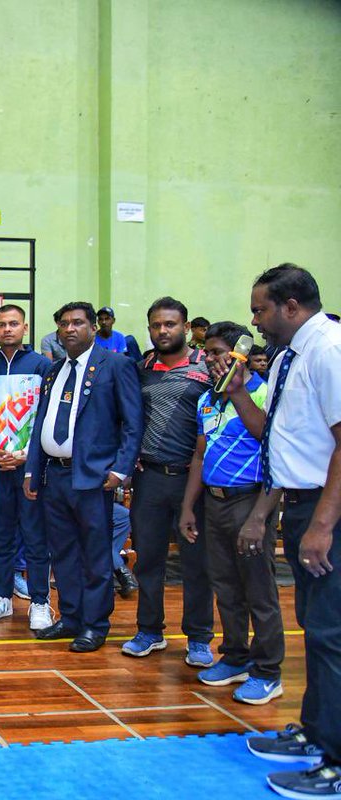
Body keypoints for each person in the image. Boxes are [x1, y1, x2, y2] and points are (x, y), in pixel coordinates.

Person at [239, 265, 341, 799]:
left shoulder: (328, 349)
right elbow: (273, 437)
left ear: (292, 306)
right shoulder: (288, 357)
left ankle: (336, 761)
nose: (255, 321)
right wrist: (237, 394)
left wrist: (323, 524)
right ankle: (317, 733)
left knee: (332, 636)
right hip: (297, 503)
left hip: (328, 511)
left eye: (261, 310)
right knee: (318, 630)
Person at [24, 301, 143, 652]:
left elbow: (133, 423)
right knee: (63, 554)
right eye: (63, 324)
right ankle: (71, 618)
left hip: (93, 476)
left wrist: (121, 469)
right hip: (54, 477)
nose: (70, 329)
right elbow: (40, 425)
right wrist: (33, 469)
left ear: (93, 327)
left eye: (77, 323)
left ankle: (95, 624)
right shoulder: (53, 370)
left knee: (95, 555)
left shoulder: (115, 365)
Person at [178, 321, 283, 704]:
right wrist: (189, 507)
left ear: (239, 353)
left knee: (259, 590)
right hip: (214, 502)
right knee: (225, 587)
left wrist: (258, 518)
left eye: (218, 352)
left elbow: (267, 439)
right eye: (206, 352)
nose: (209, 359)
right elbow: (199, 454)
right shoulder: (208, 399)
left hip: (250, 500)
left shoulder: (265, 391)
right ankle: (236, 656)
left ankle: (269, 671)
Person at [121, 297, 215, 666]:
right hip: (150, 479)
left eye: (170, 324)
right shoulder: (143, 366)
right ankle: (149, 631)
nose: (163, 331)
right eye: (156, 325)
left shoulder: (207, 368)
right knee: (148, 561)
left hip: (194, 481)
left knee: (196, 562)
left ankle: (199, 637)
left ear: (186, 327)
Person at [0, 304, 53, 628]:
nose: (7, 329)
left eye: (13, 324)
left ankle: (39, 601)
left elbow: (45, 417)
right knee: (1, 535)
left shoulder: (42, 366)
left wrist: (26, 454)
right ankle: (2, 597)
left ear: (25, 328)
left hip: (28, 466)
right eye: (1, 324)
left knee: (35, 537)